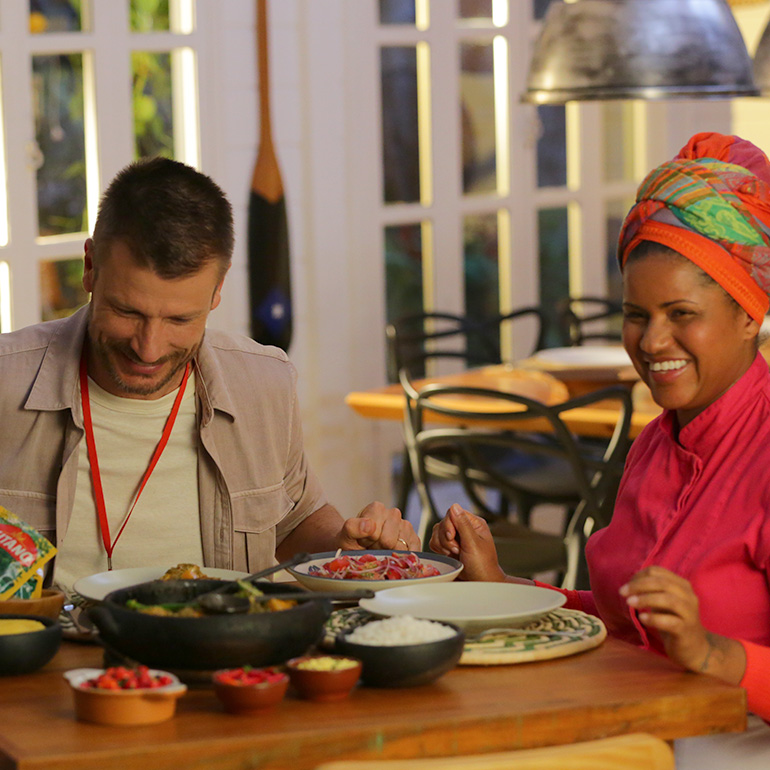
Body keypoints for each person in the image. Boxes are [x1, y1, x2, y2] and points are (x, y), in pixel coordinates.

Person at [430, 132, 770, 767]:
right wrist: (500, 586)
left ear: (748, 312)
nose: (651, 340)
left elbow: (687, 649)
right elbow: (620, 626)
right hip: (637, 735)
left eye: (680, 312)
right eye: (636, 314)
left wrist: (710, 653)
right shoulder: (656, 444)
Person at [0, 156, 419, 596]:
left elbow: (295, 522)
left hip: (218, 655)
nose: (149, 347)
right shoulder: (8, 380)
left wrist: (346, 548)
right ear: (90, 267)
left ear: (218, 290)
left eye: (180, 319)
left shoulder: (263, 382)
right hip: (49, 658)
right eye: (128, 312)